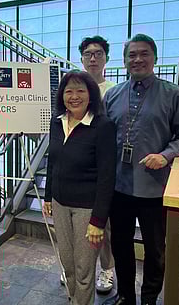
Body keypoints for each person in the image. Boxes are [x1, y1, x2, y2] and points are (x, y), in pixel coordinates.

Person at [102, 34, 179, 305]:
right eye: (132, 55)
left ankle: (148, 299)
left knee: (155, 250)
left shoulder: (173, 94)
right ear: (124, 62)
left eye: (144, 53)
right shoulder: (113, 95)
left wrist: (166, 155)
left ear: (154, 58)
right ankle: (125, 296)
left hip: (155, 187)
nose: (138, 59)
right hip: (119, 186)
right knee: (121, 245)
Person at [43, 70, 117, 305]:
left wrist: (98, 221)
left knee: (84, 269)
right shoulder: (57, 122)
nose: (74, 96)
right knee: (68, 263)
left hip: (87, 208)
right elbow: (52, 161)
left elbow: (107, 177)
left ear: (91, 94)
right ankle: (74, 300)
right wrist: (47, 196)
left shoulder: (102, 126)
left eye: (80, 91)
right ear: (62, 95)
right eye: (69, 91)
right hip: (59, 203)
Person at [79, 36, 117, 294]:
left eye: (99, 53)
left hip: (103, 167)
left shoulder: (115, 90)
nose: (93, 58)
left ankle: (107, 269)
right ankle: (80, 269)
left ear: (106, 58)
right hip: (78, 169)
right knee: (76, 223)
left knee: (104, 223)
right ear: (82, 58)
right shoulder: (73, 86)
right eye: (88, 54)